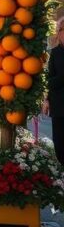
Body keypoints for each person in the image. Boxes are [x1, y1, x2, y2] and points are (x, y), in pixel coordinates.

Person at [48, 19, 64, 165]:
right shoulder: (55, 53)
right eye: (62, 30)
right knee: (58, 141)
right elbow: (49, 80)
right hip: (58, 103)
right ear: (58, 34)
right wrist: (46, 100)